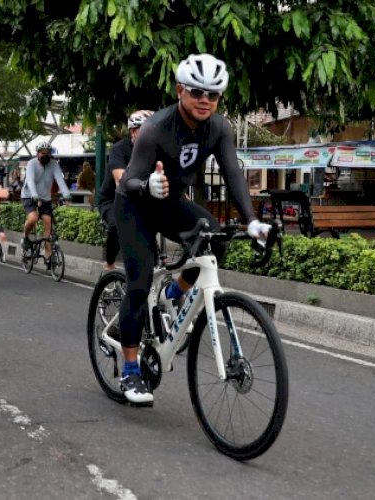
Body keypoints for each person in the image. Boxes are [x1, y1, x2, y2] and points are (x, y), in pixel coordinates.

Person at [114, 54, 271, 404]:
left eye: (213, 95)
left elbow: (232, 174)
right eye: (197, 92)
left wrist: (252, 221)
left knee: (215, 238)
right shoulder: (156, 127)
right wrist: (148, 184)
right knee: (138, 286)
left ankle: (173, 293)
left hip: (170, 203)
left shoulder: (220, 128)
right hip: (135, 206)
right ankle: (130, 371)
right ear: (180, 90)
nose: (205, 100)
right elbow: (128, 181)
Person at [98, 110, 154, 271]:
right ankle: (109, 265)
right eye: (144, 130)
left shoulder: (156, 151)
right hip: (113, 199)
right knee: (117, 223)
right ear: (133, 131)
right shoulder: (120, 149)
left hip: (143, 199)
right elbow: (121, 181)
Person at [20, 142, 71, 266]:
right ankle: (25, 237)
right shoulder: (32, 164)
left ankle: (48, 255)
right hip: (29, 196)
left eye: (48, 153)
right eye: (43, 153)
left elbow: (60, 179)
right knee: (33, 218)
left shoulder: (54, 165)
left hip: (45, 198)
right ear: (37, 154)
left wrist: (66, 194)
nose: (45, 155)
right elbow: (30, 180)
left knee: (48, 224)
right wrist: (34, 194)